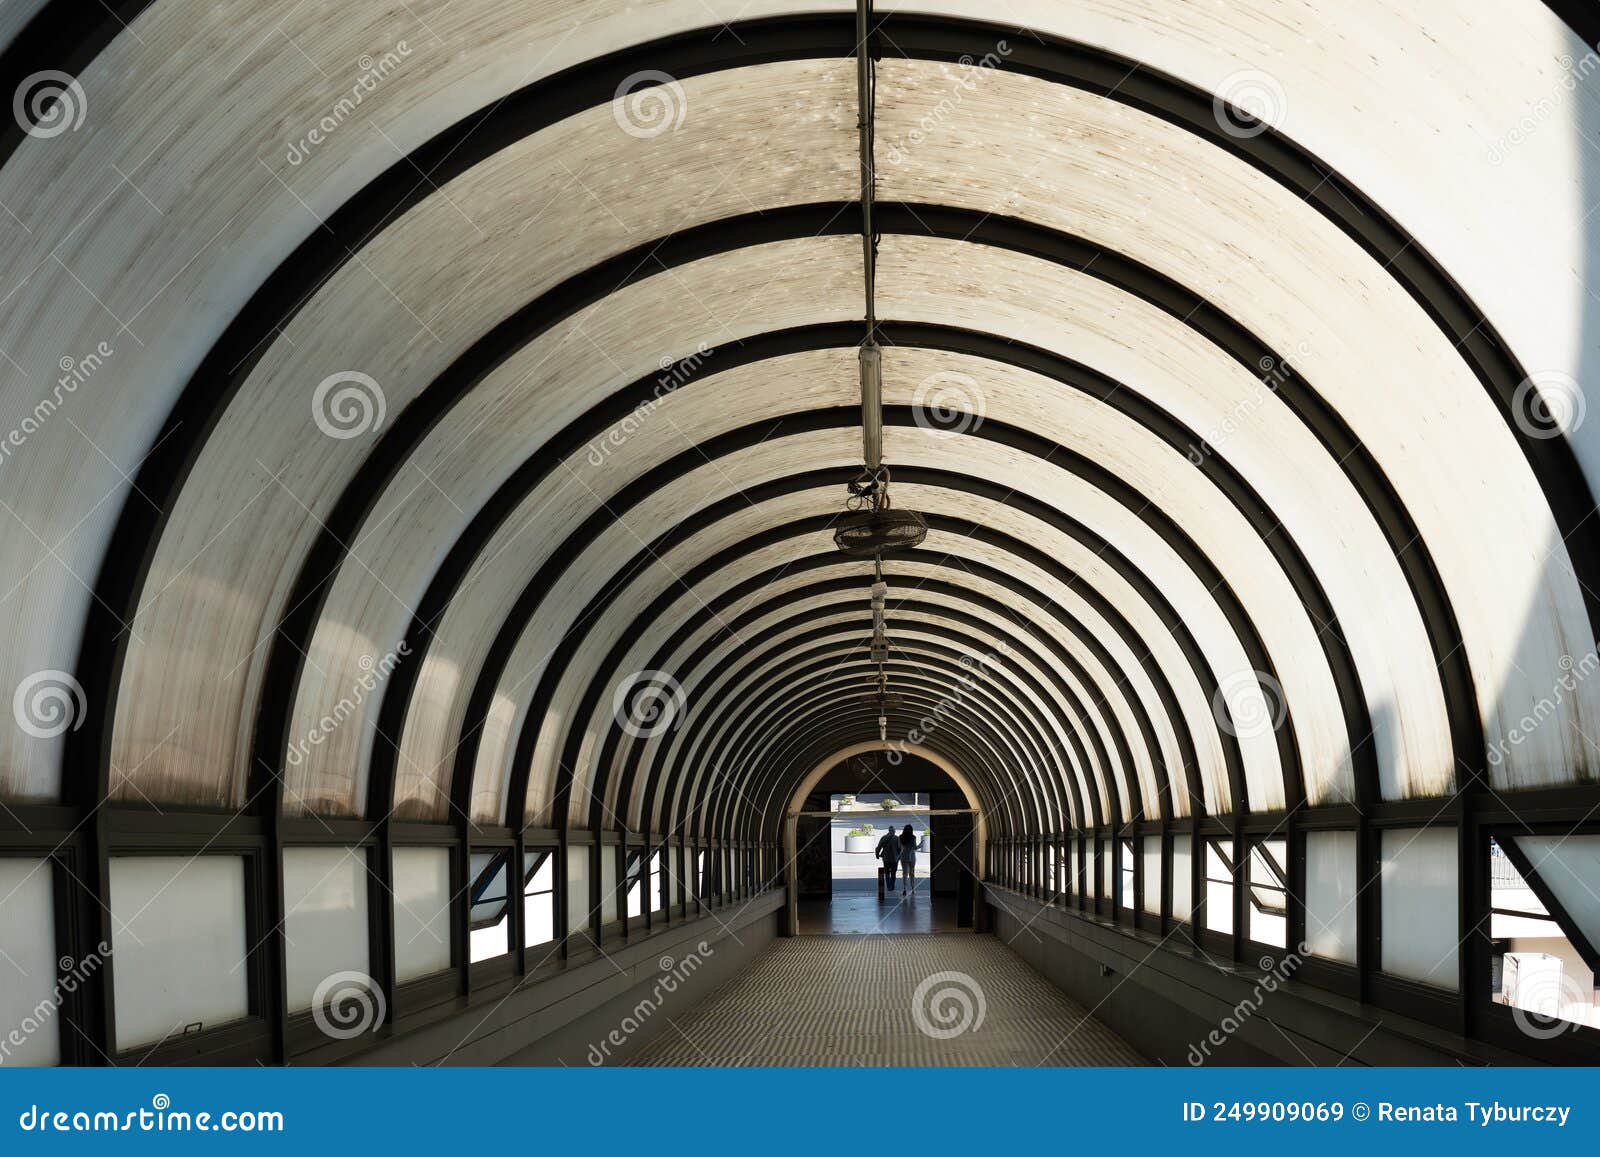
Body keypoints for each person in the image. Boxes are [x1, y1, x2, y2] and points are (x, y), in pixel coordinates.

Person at [875, 826, 899, 893]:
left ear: (888, 831)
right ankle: (892, 886)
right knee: (893, 873)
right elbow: (900, 849)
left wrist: (877, 855)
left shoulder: (883, 838)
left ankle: (889, 886)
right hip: (894, 859)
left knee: (887, 873)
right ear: (894, 831)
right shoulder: (897, 838)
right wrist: (899, 857)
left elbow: (878, 847)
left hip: (886, 859)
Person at [898, 823, 918, 900]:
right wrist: (921, 844)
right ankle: (913, 889)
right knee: (912, 873)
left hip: (904, 857)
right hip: (912, 857)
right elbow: (915, 847)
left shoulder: (900, 837)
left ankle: (904, 889)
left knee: (904, 873)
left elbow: (899, 847)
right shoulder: (913, 837)